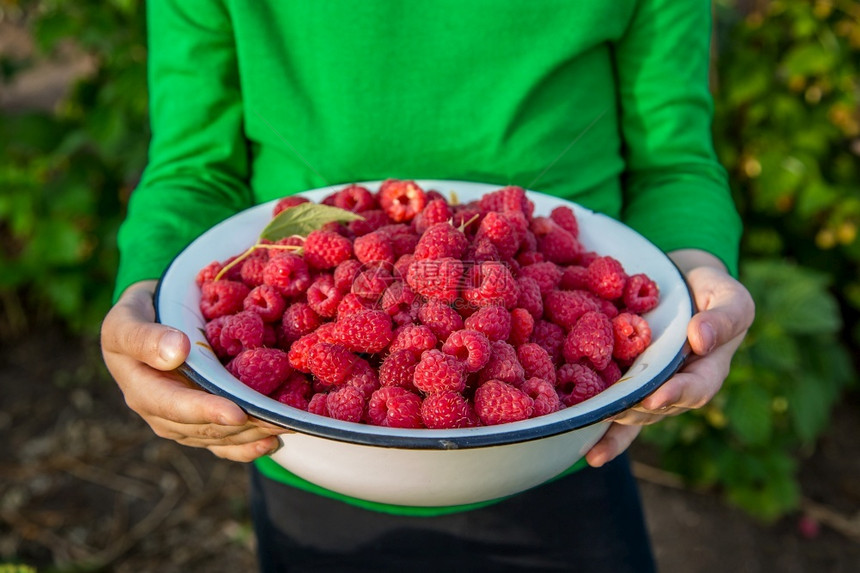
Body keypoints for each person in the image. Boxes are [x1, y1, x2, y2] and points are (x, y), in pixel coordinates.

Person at [100, 1, 755, 571]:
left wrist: (693, 275)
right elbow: (193, 171)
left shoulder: (529, 324)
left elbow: (672, 162)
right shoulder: (329, 334)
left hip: (566, 446)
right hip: (308, 446)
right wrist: (151, 297)